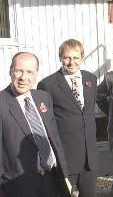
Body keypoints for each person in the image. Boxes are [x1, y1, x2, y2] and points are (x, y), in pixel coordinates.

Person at [0, 52, 71, 197]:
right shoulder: (1, 103)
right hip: (19, 186)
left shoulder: (43, 97)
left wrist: (65, 175)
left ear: (36, 74)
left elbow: (55, 140)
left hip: (53, 180)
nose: (23, 77)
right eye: (18, 70)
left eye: (29, 72)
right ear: (10, 71)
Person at [37, 39, 98, 197]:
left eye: (76, 58)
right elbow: (46, 122)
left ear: (82, 58)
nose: (72, 62)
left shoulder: (91, 79)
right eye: (67, 58)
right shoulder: (47, 85)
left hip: (89, 159)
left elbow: (88, 114)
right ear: (60, 58)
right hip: (66, 158)